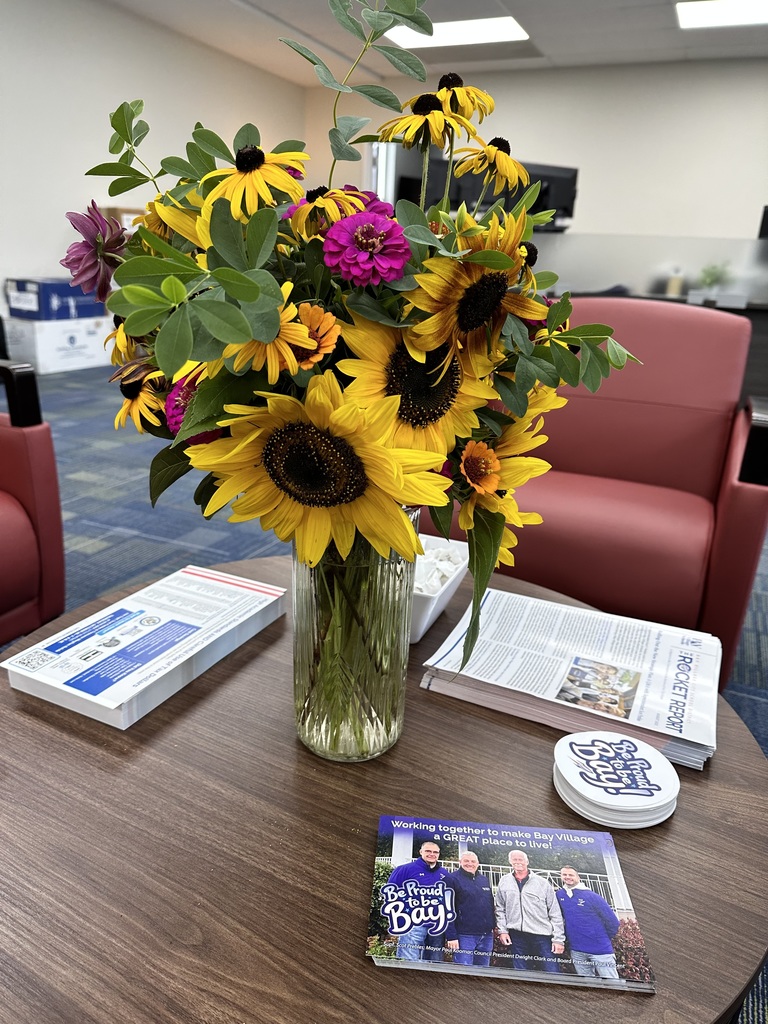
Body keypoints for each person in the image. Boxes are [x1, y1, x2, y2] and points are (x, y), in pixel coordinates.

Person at [494, 850, 565, 973]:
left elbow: (555, 912)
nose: (518, 862)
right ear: (510, 862)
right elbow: (500, 908)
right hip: (517, 936)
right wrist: (502, 931)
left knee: (552, 972)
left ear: (527, 861)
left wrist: (558, 939)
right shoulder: (504, 881)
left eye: (520, 859)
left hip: (542, 936)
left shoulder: (542, 883)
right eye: (514, 859)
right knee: (521, 973)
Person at [386, 840, 448, 962]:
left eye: (435, 852)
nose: (432, 854)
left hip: (436, 926)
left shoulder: (444, 874)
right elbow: (391, 895)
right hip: (412, 924)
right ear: (420, 852)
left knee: (434, 964)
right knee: (409, 961)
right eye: (428, 851)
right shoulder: (404, 870)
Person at [556, 865, 621, 978]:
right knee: (587, 984)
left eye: (571, 875)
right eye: (564, 874)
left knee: (613, 983)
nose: (567, 877)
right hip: (577, 951)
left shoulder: (592, 896)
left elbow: (613, 922)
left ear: (578, 877)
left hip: (601, 950)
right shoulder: (559, 895)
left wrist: (600, 938)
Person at [444, 852, 496, 967]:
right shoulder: (451, 879)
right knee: (464, 973)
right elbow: (447, 909)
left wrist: (492, 926)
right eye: (466, 861)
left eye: (473, 861)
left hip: (486, 935)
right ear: (460, 862)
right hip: (464, 936)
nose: (470, 864)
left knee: (483, 973)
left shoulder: (484, 880)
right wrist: (451, 936)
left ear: (478, 863)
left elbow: (490, 904)